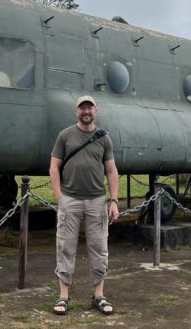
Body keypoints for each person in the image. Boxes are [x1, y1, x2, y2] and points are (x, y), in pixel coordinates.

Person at [49, 95, 120, 316]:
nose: (86, 112)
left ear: (95, 111)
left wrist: (114, 200)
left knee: (99, 248)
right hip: (70, 199)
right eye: (82, 108)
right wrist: (61, 197)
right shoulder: (65, 136)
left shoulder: (104, 139)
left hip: (97, 200)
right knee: (65, 246)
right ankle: (63, 296)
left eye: (89, 108)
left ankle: (99, 295)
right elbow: (54, 167)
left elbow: (111, 170)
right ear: (76, 111)